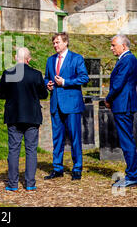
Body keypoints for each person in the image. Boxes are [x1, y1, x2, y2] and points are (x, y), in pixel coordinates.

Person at [0, 47, 48, 191]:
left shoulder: (8, 73)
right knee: (31, 150)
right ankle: (30, 183)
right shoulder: (36, 74)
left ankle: (13, 184)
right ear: (29, 59)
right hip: (32, 116)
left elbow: (1, 94)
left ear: (15, 58)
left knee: (14, 150)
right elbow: (43, 95)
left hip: (14, 116)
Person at [44, 32, 89, 181]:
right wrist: (48, 84)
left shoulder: (76, 58)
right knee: (57, 138)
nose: (55, 45)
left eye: (57, 42)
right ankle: (57, 168)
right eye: (54, 43)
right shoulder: (50, 60)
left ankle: (77, 168)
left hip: (72, 105)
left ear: (65, 42)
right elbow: (46, 78)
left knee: (75, 137)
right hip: (56, 104)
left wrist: (65, 82)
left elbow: (84, 78)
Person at [106, 34, 137, 188]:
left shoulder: (127, 60)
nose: (111, 48)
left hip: (123, 104)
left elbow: (118, 83)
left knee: (127, 141)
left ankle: (132, 176)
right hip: (124, 104)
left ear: (123, 46)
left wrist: (108, 98)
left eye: (114, 45)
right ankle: (132, 174)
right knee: (127, 140)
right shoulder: (127, 59)